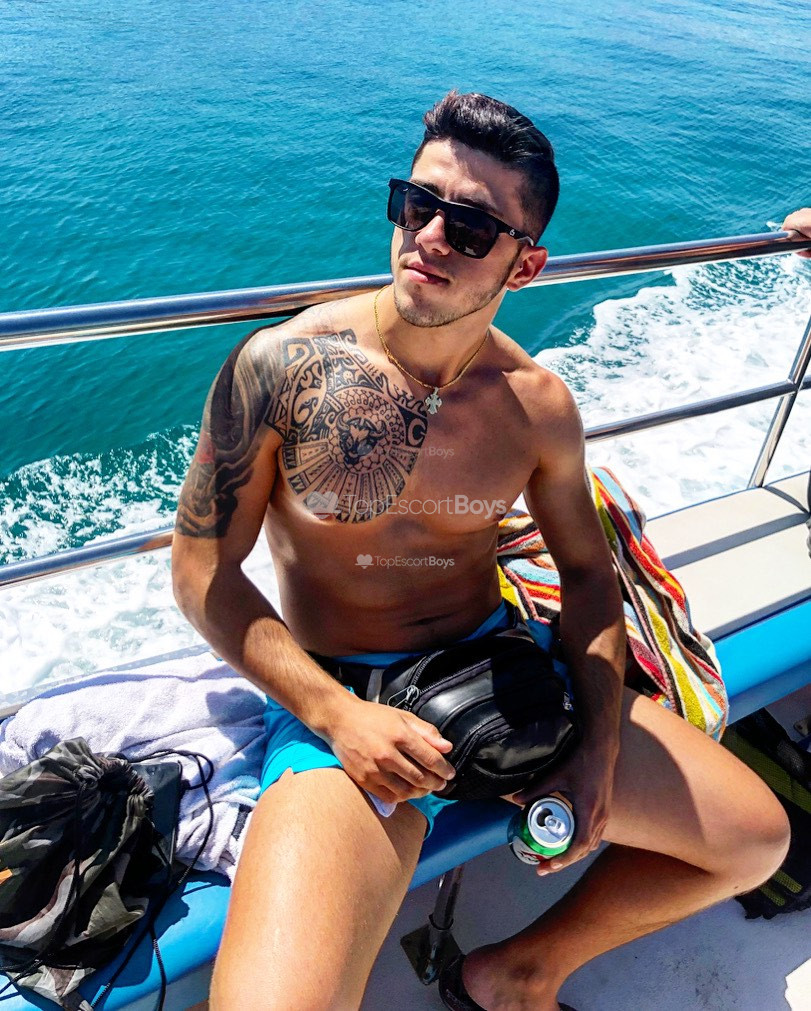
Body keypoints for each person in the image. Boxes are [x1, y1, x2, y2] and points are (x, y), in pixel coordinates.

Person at [172, 92, 791, 1011]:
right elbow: (201, 574)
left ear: (525, 263)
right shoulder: (280, 368)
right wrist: (338, 717)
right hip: (342, 699)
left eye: (468, 227)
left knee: (754, 840)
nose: (427, 237)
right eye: (415, 204)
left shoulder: (535, 405)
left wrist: (596, 747)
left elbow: (587, 576)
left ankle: (518, 973)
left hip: (503, 676)